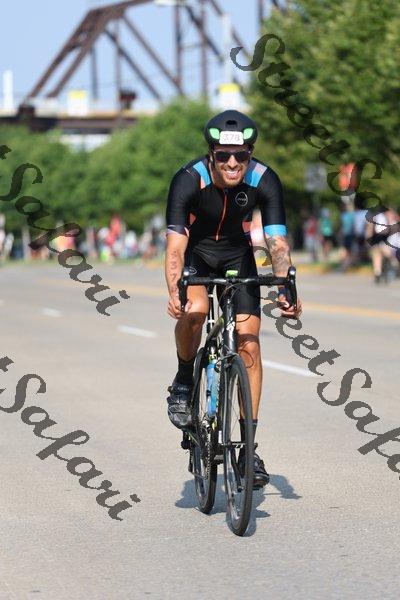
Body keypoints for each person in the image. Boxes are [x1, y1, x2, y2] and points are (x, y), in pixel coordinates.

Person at [164, 110, 302, 489]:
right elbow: (175, 248)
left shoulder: (264, 178)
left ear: (249, 153)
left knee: (249, 342)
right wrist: (174, 289)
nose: (232, 163)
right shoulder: (189, 179)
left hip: (238, 256)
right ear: (211, 154)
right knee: (196, 310)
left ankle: (249, 449)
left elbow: (276, 243)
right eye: (223, 155)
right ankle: (183, 379)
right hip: (197, 253)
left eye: (240, 155)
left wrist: (286, 288)